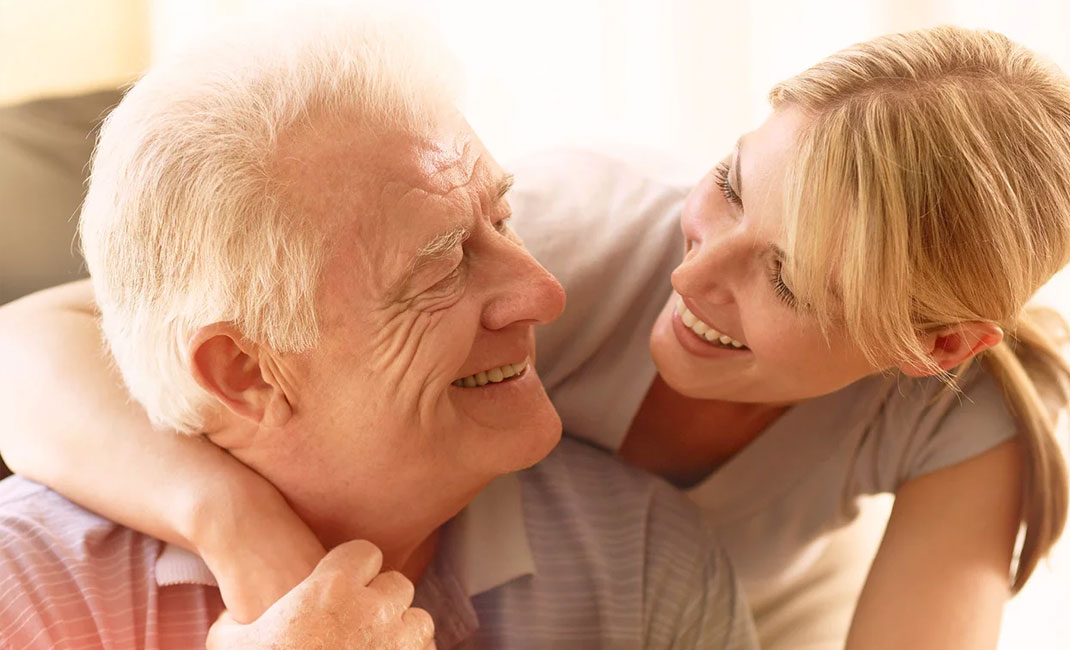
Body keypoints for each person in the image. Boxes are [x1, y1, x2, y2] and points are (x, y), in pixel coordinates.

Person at [2, 21, 1068, 650]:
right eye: (731, 183)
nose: (690, 272)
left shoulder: (964, 419)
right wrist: (249, 535)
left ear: (931, 346)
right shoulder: (564, 232)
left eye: (785, 275)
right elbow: (37, 346)